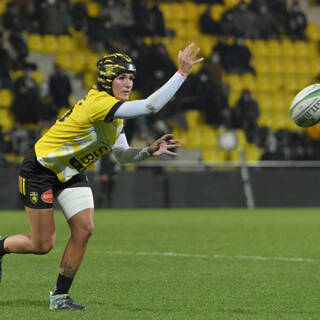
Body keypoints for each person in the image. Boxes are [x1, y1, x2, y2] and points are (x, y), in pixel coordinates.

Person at [0, 43, 203, 311]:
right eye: (121, 77)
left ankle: (59, 298)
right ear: (108, 80)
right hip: (41, 170)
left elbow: (121, 155)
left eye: (131, 78)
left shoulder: (116, 113)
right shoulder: (99, 103)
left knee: (85, 229)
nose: (128, 83)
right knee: (42, 244)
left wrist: (148, 151)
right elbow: (151, 107)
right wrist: (181, 73)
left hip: (70, 173)